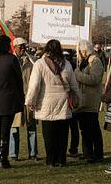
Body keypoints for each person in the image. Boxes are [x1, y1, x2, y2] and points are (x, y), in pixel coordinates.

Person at [25, 39, 79, 167]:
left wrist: (30, 101)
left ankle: (51, 159)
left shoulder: (40, 64)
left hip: (46, 103)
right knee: (63, 134)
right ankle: (61, 159)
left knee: (49, 134)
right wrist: (77, 100)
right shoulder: (66, 64)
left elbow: (34, 86)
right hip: (63, 103)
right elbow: (74, 85)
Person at [0, 35, 24, 168]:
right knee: (5, 130)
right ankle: (3, 158)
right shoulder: (11, 59)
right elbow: (19, 80)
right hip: (8, 99)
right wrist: (21, 97)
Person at [74, 40, 104, 163]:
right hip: (81, 100)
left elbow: (95, 79)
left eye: (79, 51)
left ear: (84, 50)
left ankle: (97, 153)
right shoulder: (82, 62)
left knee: (93, 128)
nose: (78, 53)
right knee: (84, 129)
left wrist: (78, 75)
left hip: (91, 100)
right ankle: (87, 152)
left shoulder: (95, 61)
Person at [9, 37, 38, 161]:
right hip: (15, 98)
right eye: (20, 47)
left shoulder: (31, 61)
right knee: (14, 127)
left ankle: (33, 153)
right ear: (14, 47)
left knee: (31, 126)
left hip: (29, 97)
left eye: (24, 46)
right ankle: (13, 154)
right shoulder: (10, 60)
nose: (23, 49)